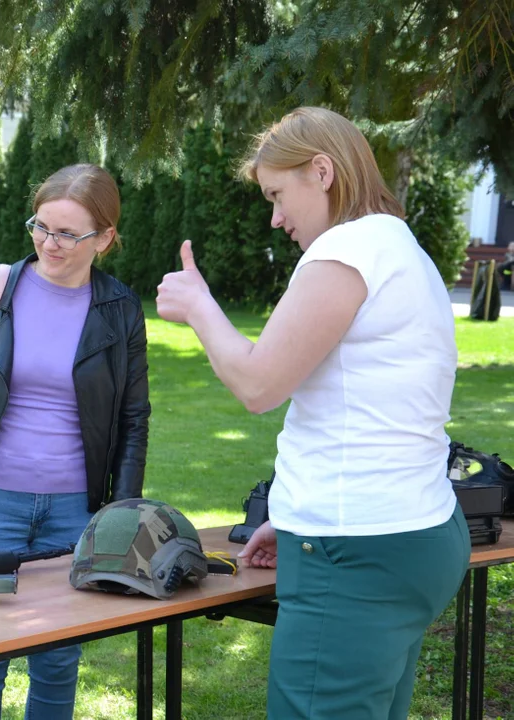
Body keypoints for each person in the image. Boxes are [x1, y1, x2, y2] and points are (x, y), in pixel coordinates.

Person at [156, 107, 469, 719]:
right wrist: (297, 519)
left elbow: (258, 385)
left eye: (277, 194)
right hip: (409, 535)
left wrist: (199, 306)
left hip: (356, 556)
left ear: (321, 171)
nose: (275, 218)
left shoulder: (347, 250)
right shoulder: (396, 244)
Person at [0, 164, 151, 720]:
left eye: (69, 233)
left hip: (75, 511)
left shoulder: (119, 309)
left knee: (57, 660)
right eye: (41, 227)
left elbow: (133, 418)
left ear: (106, 238)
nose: (50, 243)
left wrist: (118, 515)